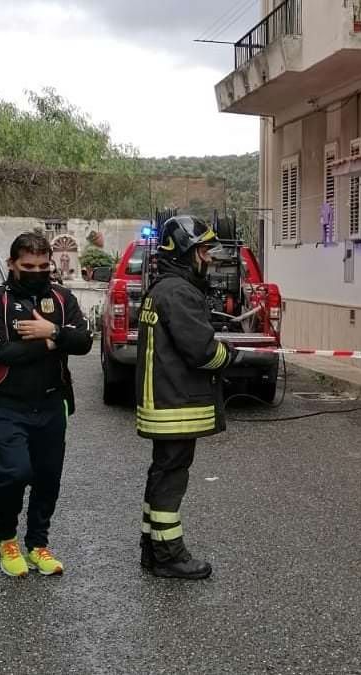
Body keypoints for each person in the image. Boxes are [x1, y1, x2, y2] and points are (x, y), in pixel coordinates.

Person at [135, 216, 275, 579]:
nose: (209, 258)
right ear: (183, 253)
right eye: (202, 250)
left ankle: (152, 550)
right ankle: (169, 557)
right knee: (171, 477)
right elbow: (200, 350)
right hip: (175, 404)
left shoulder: (163, 289)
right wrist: (234, 357)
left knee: (162, 473)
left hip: (163, 401)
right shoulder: (179, 293)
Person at [0, 232, 92, 578]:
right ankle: (6, 537)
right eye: (28, 266)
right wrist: (53, 341)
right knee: (15, 473)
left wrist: (51, 332)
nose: (37, 271)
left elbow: (84, 341)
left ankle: (38, 544)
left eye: (43, 266)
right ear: (12, 264)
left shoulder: (62, 297)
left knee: (47, 478)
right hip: (8, 404)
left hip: (54, 403)